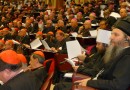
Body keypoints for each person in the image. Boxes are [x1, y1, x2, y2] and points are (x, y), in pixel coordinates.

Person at [75, 20, 130, 90]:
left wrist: (89, 83)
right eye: (112, 34)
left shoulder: (127, 56)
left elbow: (118, 85)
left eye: (116, 35)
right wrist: (90, 80)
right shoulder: (118, 52)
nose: (111, 37)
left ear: (127, 39)